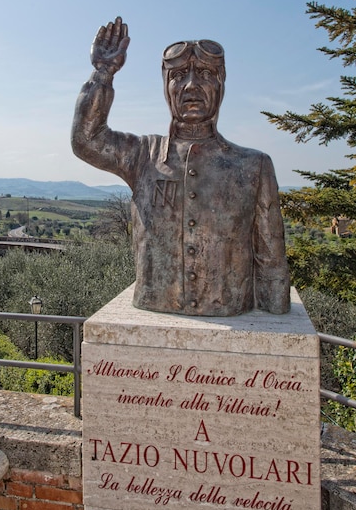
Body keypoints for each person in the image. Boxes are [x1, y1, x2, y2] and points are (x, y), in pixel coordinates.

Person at [71, 17, 290, 317]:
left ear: (221, 83)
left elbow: (270, 256)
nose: (191, 85)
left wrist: (276, 317)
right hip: (154, 303)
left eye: (204, 73)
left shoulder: (254, 166)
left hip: (231, 309)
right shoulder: (142, 155)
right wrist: (102, 73)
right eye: (178, 75)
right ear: (166, 86)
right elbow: (87, 140)